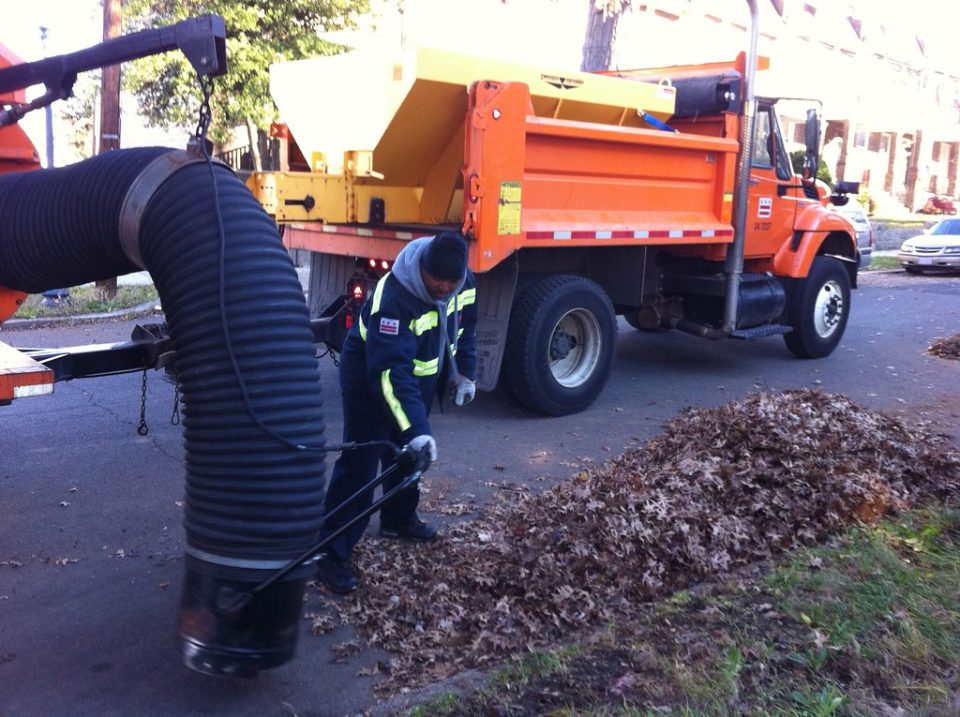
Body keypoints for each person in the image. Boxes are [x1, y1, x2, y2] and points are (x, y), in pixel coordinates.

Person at [316, 231, 478, 594]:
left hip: (414, 378)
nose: (444, 287)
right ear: (422, 268)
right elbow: (388, 372)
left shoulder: (463, 283)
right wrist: (417, 427)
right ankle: (331, 551)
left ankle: (398, 518)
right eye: (437, 280)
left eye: (451, 281)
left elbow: (466, 329)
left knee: (408, 456)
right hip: (369, 377)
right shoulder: (396, 296)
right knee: (361, 462)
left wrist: (465, 373)